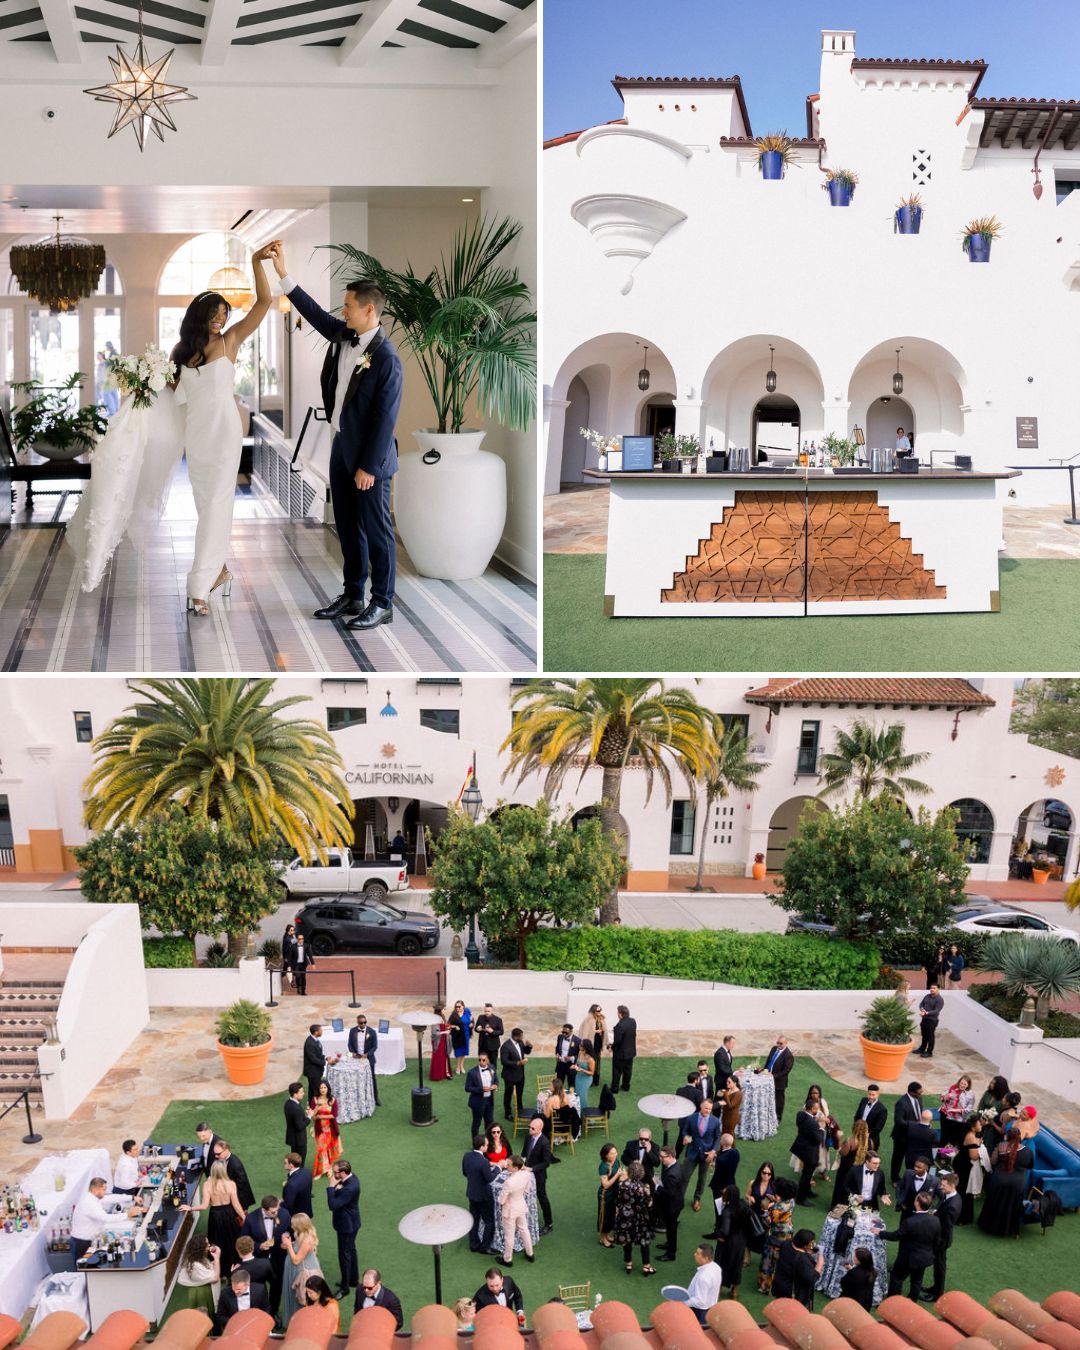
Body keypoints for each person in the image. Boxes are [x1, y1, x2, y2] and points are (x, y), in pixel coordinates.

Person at [269, 241, 404, 632]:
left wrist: (368, 466)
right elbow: (310, 311)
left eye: (348, 306)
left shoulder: (387, 359)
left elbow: (385, 419)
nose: (342, 312)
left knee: (377, 532)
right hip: (341, 450)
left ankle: (382, 602)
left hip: (369, 462)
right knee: (346, 526)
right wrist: (283, 272)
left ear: (369, 310)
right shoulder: (344, 335)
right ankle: (353, 593)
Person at [171, 259, 273, 613]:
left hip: (225, 433)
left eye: (224, 314)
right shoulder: (182, 353)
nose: (220, 319)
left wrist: (258, 262)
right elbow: (172, 398)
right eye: (215, 314)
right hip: (196, 438)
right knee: (207, 508)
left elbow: (263, 303)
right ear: (199, 316)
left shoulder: (231, 340)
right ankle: (221, 571)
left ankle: (199, 586)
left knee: (216, 506)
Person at [180, 1160, 245, 1277]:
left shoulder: (207, 1185)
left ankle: (219, 1270)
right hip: (229, 1214)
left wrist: (190, 1208)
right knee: (231, 1240)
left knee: (217, 1241)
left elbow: (204, 1206)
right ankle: (233, 1268)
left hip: (215, 1215)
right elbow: (236, 1205)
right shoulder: (231, 1184)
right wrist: (244, 1217)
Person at [240, 1196, 291, 1321]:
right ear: (264, 1209)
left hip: (278, 1258)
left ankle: (273, 1312)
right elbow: (244, 1239)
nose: (276, 1213)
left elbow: (290, 1231)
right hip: (259, 1260)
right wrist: (259, 1246)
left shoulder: (284, 1214)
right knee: (258, 1287)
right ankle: (258, 1313)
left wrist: (287, 1238)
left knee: (276, 1286)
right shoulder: (251, 1219)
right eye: (273, 1212)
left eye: (277, 1210)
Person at [71, 1177, 145, 1262]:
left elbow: (112, 1198)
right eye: (103, 1189)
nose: (105, 1192)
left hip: (87, 1240)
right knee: (83, 1268)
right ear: (95, 1189)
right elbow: (106, 1218)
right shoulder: (89, 1203)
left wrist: (132, 1197)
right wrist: (127, 1214)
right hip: (81, 1243)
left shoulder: (93, 1197)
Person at [978, 1126, 1034, 1237]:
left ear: (1007, 1137)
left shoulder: (1000, 1146)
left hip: (999, 1180)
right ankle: (1011, 1230)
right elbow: (1029, 1166)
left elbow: (993, 1162)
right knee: (1013, 1205)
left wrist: (995, 1151)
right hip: (1017, 1183)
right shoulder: (1028, 1151)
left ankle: (990, 1226)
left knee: (995, 1201)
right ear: (1019, 1137)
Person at [884, 1192, 940, 1300]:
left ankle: (893, 1302)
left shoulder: (909, 1221)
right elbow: (937, 1241)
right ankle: (912, 1301)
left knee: (896, 1278)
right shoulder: (935, 1220)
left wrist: (880, 1233)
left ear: (917, 1203)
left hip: (908, 1258)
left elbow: (896, 1236)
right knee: (917, 1281)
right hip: (924, 1258)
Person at [612, 1160, 655, 1276]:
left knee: (627, 1240)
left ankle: (628, 1264)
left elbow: (618, 1201)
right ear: (641, 1173)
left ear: (629, 1172)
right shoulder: (644, 1187)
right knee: (644, 1242)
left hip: (625, 1218)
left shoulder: (622, 1185)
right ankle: (646, 1267)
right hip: (640, 1219)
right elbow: (649, 1204)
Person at [326, 1159, 361, 1300]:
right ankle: (353, 1279)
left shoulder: (348, 1189)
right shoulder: (352, 1179)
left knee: (344, 1255)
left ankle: (345, 1288)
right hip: (353, 1222)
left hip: (346, 1225)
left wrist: (331, 1188)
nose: (333, 1175)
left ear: (344, 1172)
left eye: (335, 1173)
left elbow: (333, 1205)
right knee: (351, 1250)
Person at [758, 1177, 797, 1295]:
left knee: (769, 1261)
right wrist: (775, 1200)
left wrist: (766, 1209)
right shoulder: (791, 1201)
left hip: (775, 1236)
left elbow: (769, 1221)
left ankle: (765, 1286)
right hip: (787, 1233)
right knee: (781, 1260)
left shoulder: (776, 1208)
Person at [281, 1214, 322, 1326]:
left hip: (302, 1271)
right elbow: (299, 1247)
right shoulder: (300, 1233)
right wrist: (292, 1244)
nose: (291, 1226)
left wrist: (289, 1245)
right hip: (295, 1270)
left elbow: (296, 1260)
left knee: (301, 1296)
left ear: (301, 1225)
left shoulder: (308, 1239)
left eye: (294, 1224)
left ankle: (301, 1324)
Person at [682, 1097, 721, 1212]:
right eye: (706, 1108)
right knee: (685, 1176)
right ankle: (680, 1198)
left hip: (706, 1154)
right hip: (692, 1152)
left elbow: (718, 1137)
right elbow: (685, 1131)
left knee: (702, 1179)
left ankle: (697, 1199)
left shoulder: (715, 1121)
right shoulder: (691, 1118)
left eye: (710, 1109)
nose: (708, 1111)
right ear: (701, 1107)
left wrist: (713, 1151)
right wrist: (685, 1137)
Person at [927, 1172, 961, 1301]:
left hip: (941, 1240)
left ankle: (938, 1294)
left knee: (939, 1266)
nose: (941, 1187)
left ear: (952, 1185)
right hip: (940, 1238)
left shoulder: (953, 1205)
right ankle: (935, 1288)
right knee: (938, 1265)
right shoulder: (950, 1196)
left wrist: (938, 1240)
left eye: (943, 1185)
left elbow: (946, 1226)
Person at [714, 1184, 752, 1298]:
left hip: (727, 1243)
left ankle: (719, 1288)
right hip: (740, 1242)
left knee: (721, 1264)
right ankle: (734, 1290)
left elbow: (725, 1230)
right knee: (737, 1265)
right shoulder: (743, 1205)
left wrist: (717, 1235)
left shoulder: (727, 1211)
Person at [463, 1136, 500, 1253]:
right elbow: (490, 1178)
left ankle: (474, 1245)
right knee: (489, 1221)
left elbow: (465, 1172)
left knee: (474, 1219)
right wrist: (498, 1168)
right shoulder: (483, 1162)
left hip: (472, 1193)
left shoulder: (467, 1156)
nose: (488, 1147)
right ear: (482, 1146)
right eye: (487, 1145)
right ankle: (485, 1247)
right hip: (484, 1196)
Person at [498, 1155, 535, 1267]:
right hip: (520, 1206)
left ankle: (507, 1259)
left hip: (510, 1210)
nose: (506, 1166)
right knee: (524, 1230)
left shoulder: (509, 1182)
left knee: (509, 1235)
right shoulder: (527, 1174)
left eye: (508, 1165)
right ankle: (530, 1253)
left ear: (515, 1168)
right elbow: (527, 1189)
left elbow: (501, 1200)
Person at [771, 1229, 822, 1308]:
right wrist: (820, 1263)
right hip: (792, 1293)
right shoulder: (802, 1259)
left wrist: (807, 1252)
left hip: (779, 1285)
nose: (813, 1244)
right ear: (805, 1245)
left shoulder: (786, 1243)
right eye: (811, 1242)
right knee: (791, 1315)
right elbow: (811, 1279)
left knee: (780, 1309)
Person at [522, 1116, 554, 1234]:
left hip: (538, 1175)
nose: (530, 1130)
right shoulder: (528, 1137)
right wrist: (522, 1163)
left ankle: (548, 1224)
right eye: (530, 1127)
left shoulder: (544, 1142)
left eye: (533, 1128)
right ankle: (526, 1220)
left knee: (542, 1198)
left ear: (540, 1129)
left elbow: (547, 1162)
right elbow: (524, 1153)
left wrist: (531, 1169)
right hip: (526, 1173)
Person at [655, 1146, 686, 1262]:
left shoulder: (672, 1173)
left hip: (672, 1206)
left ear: (671, 1156)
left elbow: (670, 1193)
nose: (661, 1159)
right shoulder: (676, 1165)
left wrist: (657, 1186)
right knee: (670, 1228)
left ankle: (671, 1254)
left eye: (663, 1157)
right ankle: (669, 1244)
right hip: (676, 1203)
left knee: (671, 1228)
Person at [957, 1115, 990, 1226]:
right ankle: (962, 1217)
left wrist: (978, 1143)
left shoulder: (970, 1134)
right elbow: (974, 1156)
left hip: (962, 1163)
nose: (981, 1125)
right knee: (965, 1190)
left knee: (964, 1189)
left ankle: (963, 1216)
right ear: (972, 1127)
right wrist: (980, 1147)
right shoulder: (971, 1137)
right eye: (979, 1124)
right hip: (965, 1165)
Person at [176, 1234, 221, 1314]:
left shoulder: (197, 1258)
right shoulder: (194, 1266)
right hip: (202, 1295)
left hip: (201, 1291)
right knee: (207, 1315)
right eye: (207, 1244)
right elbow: (215, 1278)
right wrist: (217, 1258)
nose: (209, 1245)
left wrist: (212, 1264)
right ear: (200, 1248)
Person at [216, 1268, 270, 1332]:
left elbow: (266, 1309)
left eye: (239, 1289)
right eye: (233, 1288)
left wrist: (257, 1322)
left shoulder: (260, 1290)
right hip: (234, 1328)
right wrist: (234, 1322)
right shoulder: (225, 1293)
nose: (235, 1292)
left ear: (248, 1284)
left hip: (255, 1326)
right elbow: (220, 1315)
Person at [790, 1103, 824, 1205]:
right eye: (816, 1109)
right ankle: (801, 1198)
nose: (818, 1111)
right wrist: (821, 1128)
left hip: (801, 1148)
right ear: (812, 1109)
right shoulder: (812, 1123)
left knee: (807, 1173)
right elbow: (819, 1139)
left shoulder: (800, 1115)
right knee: (806, 1175)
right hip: (809, 1152)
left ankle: (807, 1191)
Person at [309, 1082, 343, 1181]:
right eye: (321, 1088)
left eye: (324, 1087)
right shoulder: (315, 1099)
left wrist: (321, 1116)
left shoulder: (332, 1100)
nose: (323, 1089)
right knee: (320, 1149)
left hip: (330, 1129)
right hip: (319, 1129)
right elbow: (313, 1116)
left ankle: (328, 1169)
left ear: (328, 1088)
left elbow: (334, 1115)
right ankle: (320, 1171)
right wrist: (316, 1110)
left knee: (329, 1148)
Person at [831, 1122, 871, 1207]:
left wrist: (840, 1140)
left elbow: (843, 1153)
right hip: (859, 1170)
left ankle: (836, 1208)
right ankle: (849, 1207)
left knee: (841, 1188)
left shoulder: (851, 1140)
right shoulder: (869, 1142)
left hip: (846, 1170)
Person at [890, 1082, 923, 1184]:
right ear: (912, 1092)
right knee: (898, 1158)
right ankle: (895, 1179)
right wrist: (916, 1124)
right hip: (901, 1136)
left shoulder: (919, 1098)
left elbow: (919, 1112)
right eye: (919, 1092)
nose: (921, 1093)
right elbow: (899, 1121)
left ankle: (911, 1177)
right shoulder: (901, 1103)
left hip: (914, 1136)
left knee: (912, 1158)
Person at [685, 1243, 723, 1324]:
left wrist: (683, 1302)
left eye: (698, 1254)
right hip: (711, 1308)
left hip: (700, 1312)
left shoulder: (703, 1277)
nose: (694, 1254)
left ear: (706, 1258)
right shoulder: (716, 1267)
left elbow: (700, 1301)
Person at [213, 1140, 255, 1211]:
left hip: (240, 1199)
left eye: (218, 1154)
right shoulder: (223, 1159)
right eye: (215, 1154)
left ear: (226, 1150)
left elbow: (241, 1183)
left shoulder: (235, 1164)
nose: (216, 1156)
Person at [744, 1162, 776, 1255]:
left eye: (769, 1174)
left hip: (765, 1215)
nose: (766, 1175)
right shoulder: (753, 1183)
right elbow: (747, 1194)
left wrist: (771, 1204)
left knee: (762, 1236)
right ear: (760, 1172)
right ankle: (747, 1255)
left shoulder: (773, 1186)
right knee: (749, 1234)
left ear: (771, 1175)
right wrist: (750, 1198)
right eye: (764, 1173)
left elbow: (777, 1200)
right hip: (753, 1212)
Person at [465, 1052, 499, 1139]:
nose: (481, 1061)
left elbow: (496, 1080)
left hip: (489, 1101)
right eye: (479, 1060)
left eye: (483, 1060)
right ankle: (475, 1143)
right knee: (476, 1123)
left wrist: (495, 1086)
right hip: (478, 1102)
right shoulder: (472, 1073)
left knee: (490, 1122)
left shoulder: (492, 1068)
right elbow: (467, 1088)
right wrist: (481, 1089)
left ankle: (488, 1141)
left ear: (487, 1060)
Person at [348, 1015, 379, 1106]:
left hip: (368, 1059)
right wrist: (353, 1052)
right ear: (357, 1022)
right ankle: (358, 1099)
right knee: (357, 1078)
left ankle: (376, 1098)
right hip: (357, 1059)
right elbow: (349, 1044)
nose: (363, 1024)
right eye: (361, 1023)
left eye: (365, 1022)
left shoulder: (372, 1032)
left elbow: (374, 1046)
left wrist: (367, 1054)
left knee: (372, 1078)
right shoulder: (352, 1031)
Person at [499, 1027, 530, 1119]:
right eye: (521, 1036)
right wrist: (518, 1063)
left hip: (520, 1074)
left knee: (519, 1093)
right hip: (509, 1075)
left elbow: (526, 1051)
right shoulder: (505, 1046)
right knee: (508, 1094)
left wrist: (529, 1046)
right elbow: (504, 1061)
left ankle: (520, 1110)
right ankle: (507, 1113)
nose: (522, 1037)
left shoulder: (520, 1043)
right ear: (515, 1037)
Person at [597, 1143, 624, 1247]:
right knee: (605, 1217)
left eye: (615, 1152)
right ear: (606, 1155)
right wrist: (617, 1174)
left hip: (614, 1193)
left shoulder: (616, 1161)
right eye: (612, 1153)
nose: (615, 1155)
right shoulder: (603, 1166)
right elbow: (605, 1185)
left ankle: (607, 1235)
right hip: (605, 1196)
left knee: (612, 1215)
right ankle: (602, 1238)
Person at [762, 1035, 794, 1122]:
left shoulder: (788, 1055)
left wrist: (773, 1076)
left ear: (786, 1043)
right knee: (768, 1097)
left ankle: (778, 1118)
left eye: (781, 1043)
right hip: (767, 1077)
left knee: (778, 1101)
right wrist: (764, 1070)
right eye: (777, 1042)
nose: (778, 1045)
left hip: (779, 1082)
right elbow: (768, 1061)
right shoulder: (774, 1049)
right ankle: (768, 1114)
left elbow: (786, 1071)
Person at [939, 1075, 976, 1147]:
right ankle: (940, 1153)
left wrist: (955, 1110)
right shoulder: (953, 1087)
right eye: (961, 1083)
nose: (962, 1085)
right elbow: (942, 1097)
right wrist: (944, 1098)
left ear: (968, 1085)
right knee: (944, 1136)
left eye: (964, 1084)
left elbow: (969, 1109)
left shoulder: (970, 1094)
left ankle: (950, 1155)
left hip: (958, 1120)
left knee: (953, 1140)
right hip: (945, 1115)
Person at [233, 1236, 274, 1301]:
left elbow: (232, 1290)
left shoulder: (237, 1270)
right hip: (262, 1298)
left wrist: (232, 1272)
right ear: (253, 1248)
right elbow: (273, 1282)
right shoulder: (265, 1263)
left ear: (237, 1250)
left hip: (244, 1301)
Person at [610, 1005, 637, 1093]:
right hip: (630, 1052)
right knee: (628, 1070)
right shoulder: (633, 1021)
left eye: (618, 1013)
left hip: (620, 1053)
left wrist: (612, 1047)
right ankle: (626, 1086)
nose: (617, 1014)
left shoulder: (619, 1026)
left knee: (617, 1071)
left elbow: (617, 1041)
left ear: (621, 1014)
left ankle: (614, 1088)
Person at [839, 1247, 876, 1311]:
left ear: (859, 1260)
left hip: (852, 1305)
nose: (853, 1258)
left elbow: (843, 1283)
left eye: (855, 1256)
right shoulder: (873, 1272)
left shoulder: (854, 1273)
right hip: (865, 1304)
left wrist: (851, 1271)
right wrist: (851, 1269)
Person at [853, 1085, 888, 1151]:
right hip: (858, 1135)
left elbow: (878, 1128)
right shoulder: (863, 1100)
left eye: (873, 1095)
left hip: (871, 1139)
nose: (871, 1097)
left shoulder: (882, 1109)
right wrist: (856, 1129)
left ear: (878, 1095)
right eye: (869, 1094)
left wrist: (865, 1135)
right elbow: (857, 1116)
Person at [577, 1003, 606, 1079]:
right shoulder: (588, 1020)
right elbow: (585, 1032)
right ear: (593, 1011)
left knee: (597, 1060)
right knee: (591, 1060)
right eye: (598, 1011)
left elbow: (604, 1029)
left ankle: (596, 1076)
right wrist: (595, 1031)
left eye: (600, 1011)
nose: (599, 1012)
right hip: (591, 1044)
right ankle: (590, 1076)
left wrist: (602, 1031)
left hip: (598, 1043)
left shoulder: (601, 1019)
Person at [284, 1082, 310, 1164]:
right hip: (299, 1140)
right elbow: (300, 1126)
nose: (303, 1094)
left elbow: (295, 1119)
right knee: (300, 1162)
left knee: (294, 1161)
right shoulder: (296, 1108)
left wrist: (303, 1115)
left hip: (293, 1139)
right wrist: (309, 1116)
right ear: (295, 1094)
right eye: (301, 1092)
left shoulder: (287, 1104)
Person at [283, 1153, 313, 1221]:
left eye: (285, 1163)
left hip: (296, 1217)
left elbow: (288, 1205)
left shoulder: (290, 1185)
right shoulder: (307, 1172)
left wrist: (279, 1203)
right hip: (307, 1211)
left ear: (291, 1165)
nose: (284, 1164)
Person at [916, 985, 945, 1057]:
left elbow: (937, 1010)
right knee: (924, 1035)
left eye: (934, 988)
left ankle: (929, 1052)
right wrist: (922, 1009)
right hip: (924, 1019)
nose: (932, 989)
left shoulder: (940, 999)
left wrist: (927, 1013)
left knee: (930, 1036)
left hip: (932, 1020)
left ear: (938, 989)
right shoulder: (927, 996)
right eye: (931, 988)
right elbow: (921, 1004)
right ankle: (922, 1048)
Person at [303, 1024, 326, 1103]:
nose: (322, 1031)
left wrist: (325, 1057)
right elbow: (312, 1058)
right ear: (316, 1032)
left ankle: (311, 1103)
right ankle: (316, 1105)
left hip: (315, 1070)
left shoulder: (315, 1040)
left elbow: (318, 1054)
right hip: (312, 1071)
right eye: (320, 1030)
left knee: (312, 1088)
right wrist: (323, 1062)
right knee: (316, 1089)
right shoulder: (310, 1043)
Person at [430, 1006, 454, 1082]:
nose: (445, 1010)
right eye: (444, 1009)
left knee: (445, 1056)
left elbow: (444, 1027)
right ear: (440, 1010)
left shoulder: (442, 1017)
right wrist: (445, 1032)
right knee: (438, 1057)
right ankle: (437, 1075)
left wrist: (448, 1028)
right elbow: (435, 1033)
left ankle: (446, 1072)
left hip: (444, 1040)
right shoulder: (435, 1020)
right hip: (438, 1041)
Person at [449, 1000, 472, 1074]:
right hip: (457, 1037)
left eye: (459, 1006)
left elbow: (471, 1021)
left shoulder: (467, 1013)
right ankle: (458, 1067)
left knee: (464, 1052)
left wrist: (471, 1024)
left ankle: (462, 1066)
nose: (457, 1008)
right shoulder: (454, 1015)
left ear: (463, 1006)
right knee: (458, 1052)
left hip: (466, 1035)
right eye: (456, 1007)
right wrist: (455, 1026)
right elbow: (448, 1025)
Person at [554, 1024, 581, 1089]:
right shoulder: (560, 1037)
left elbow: (580, 1055)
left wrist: (571, 1058)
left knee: (571, 1085)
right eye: (562, 1032)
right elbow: (557, 1048)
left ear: (571, 1031)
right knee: (558, 1085)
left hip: (571, 1066)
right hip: (560, 1064)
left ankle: (571, 1098)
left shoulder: (578, 1040)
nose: (564, 1034)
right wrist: (557, 1055)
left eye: (566, 1032)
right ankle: (558, 1098)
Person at [719, 1073, 743, 1138]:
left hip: (732, 1117)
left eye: (729, 1082)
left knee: (730, 1133)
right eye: (727, 1081)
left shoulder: (738, 1094)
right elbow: (724, 1100)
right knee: (724, 1132)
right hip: (726, 1114)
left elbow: (730, 1106)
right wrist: (721, 1093)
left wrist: (725, 1094)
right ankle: (723, 1147)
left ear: (735, 1083)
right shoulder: (729, 1090)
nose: (727, 1083)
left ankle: (732, 1147)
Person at [575, 1040, 596, 1111]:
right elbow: (578, 1064)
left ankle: (585, 1114)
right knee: (577, 1095)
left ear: (586, 1047)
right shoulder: (580, 1053)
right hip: (578, 1077)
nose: (579, 1046)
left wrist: (582, 1070)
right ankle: (578, 1113)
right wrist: (575, 1066)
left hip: (586, 1079)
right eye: (580, 1044)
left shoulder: (590, 1059)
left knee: (582, 1096)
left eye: (581, 1045)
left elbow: (592, 1073)